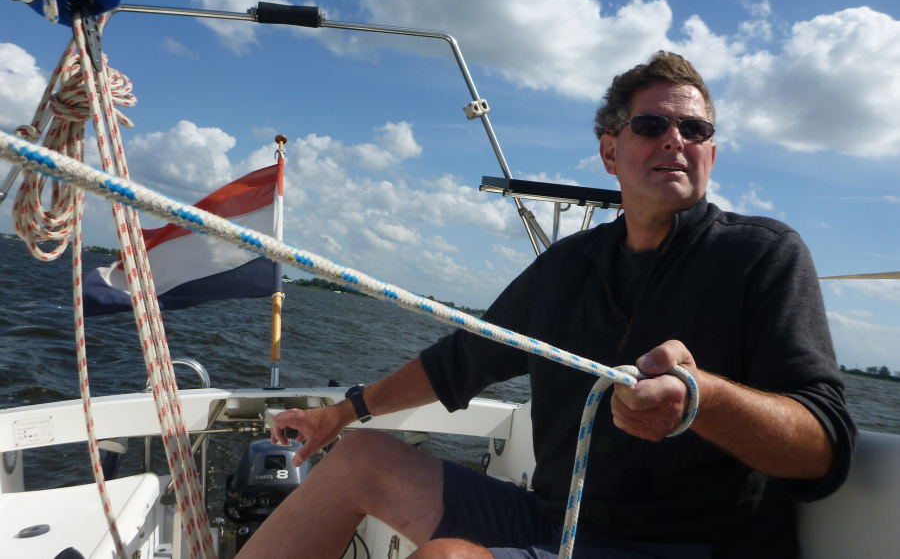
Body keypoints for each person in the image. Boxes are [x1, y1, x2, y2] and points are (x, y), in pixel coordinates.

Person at [237, 51, 856, 559]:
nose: (676, 139)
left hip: (690, 546)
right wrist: (341, 414)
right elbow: (461, 360)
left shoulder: (762, 256)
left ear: (710, 155)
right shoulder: (568, 267)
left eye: (694, 130)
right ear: (610, 152)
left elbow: (823, 447)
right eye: (652, 126)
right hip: (557, 523)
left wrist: (702, 400)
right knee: (360, 458)